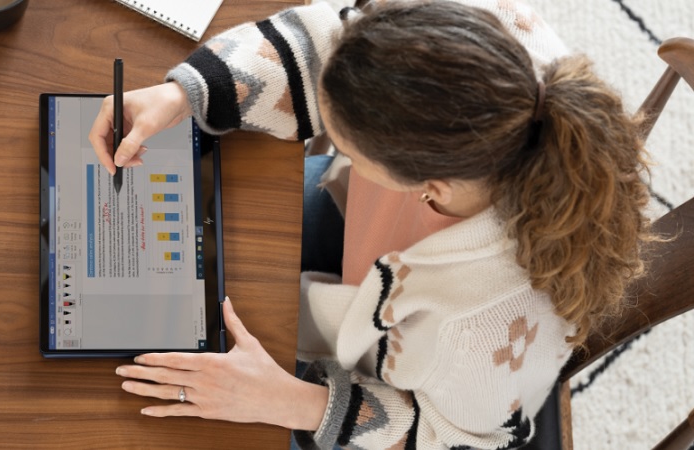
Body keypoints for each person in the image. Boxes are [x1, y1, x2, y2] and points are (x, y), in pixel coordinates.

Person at [89, 0, 654, 448]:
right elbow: (335, 47)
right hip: (366, 263)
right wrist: (185, 93)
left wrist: (290, 402)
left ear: (426, 187)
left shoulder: (486, 332)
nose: (333, 148)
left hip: (376, 390)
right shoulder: (463, 26)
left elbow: (452, 442)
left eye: (350, 151)